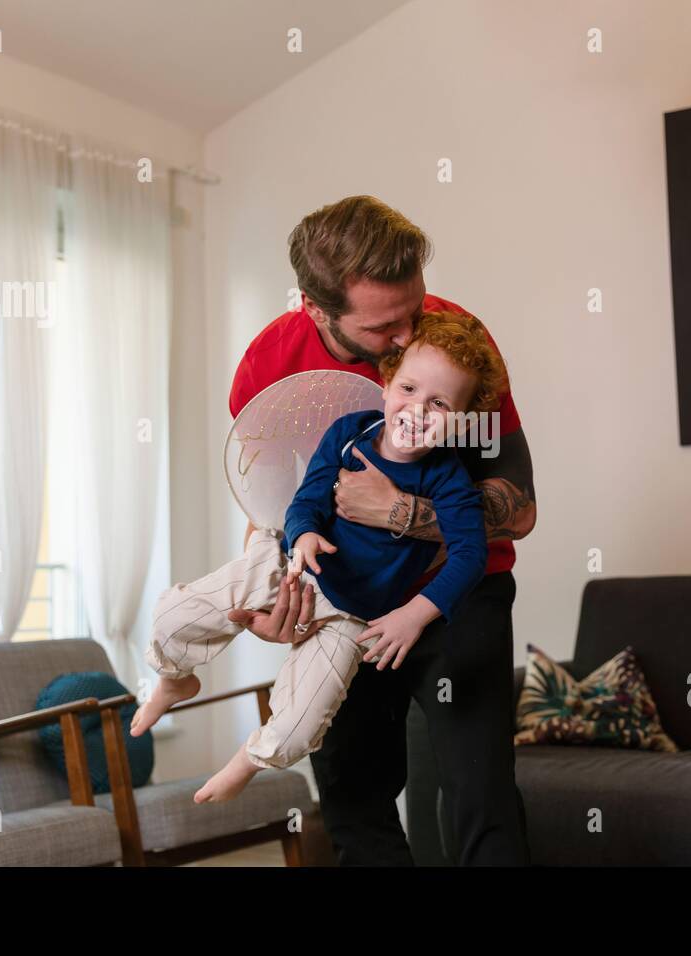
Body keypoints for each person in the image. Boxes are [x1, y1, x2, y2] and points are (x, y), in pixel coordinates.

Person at [222, 195, 535, 865]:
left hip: (458, 592)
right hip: (345, 602)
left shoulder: (457, 340)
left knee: (480, 794)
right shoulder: (267, 368)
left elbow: (522, 505)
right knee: (350, 795)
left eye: (413, 312)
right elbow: (270, 509)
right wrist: (278, 597)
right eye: (384, 328)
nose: (406, 340)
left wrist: (400, 513)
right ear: (314, 308)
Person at [130, 313, 500, 804]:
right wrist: (302, 536)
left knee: (302, 727)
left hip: (351, 616)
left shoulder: (449, 481)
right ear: (387, 384)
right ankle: (175, 681)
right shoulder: (348, 433)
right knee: (171, 619)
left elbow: (471, 557)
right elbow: (306, 500)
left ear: (462, 419)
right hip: (289, 567)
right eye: (409, 389)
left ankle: (248, 760)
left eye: (439, 403)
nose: (418, 410)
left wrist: (414, 616)